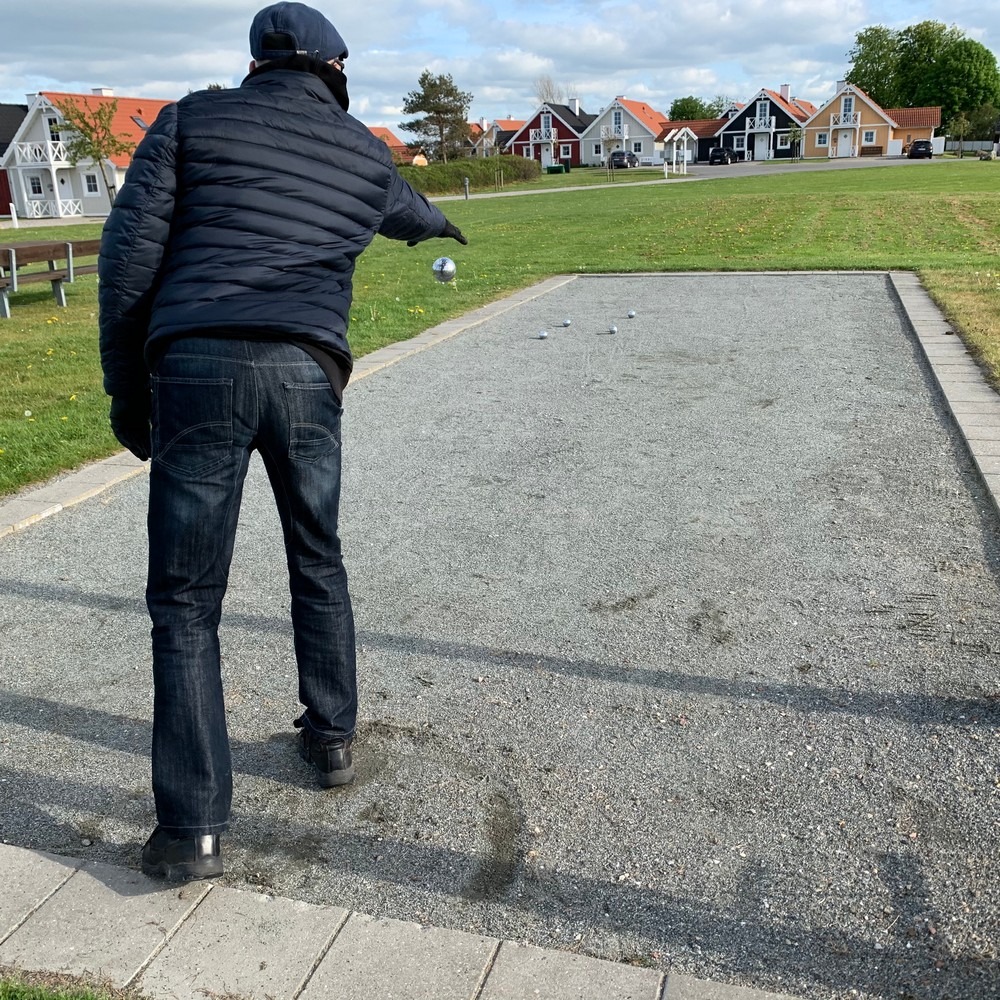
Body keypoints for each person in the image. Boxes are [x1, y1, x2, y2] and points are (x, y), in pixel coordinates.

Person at [98, 1, 467, 882]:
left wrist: (128, 391)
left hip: (196, 367)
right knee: (318, 554)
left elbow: (129, 259)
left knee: (185, 602)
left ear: (259, 63)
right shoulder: (361, 150)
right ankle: (332, 738)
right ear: (335, 72)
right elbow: (406, 210)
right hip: (307, 372)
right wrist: (441, 225)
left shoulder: (189, 120)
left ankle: (192, 830)